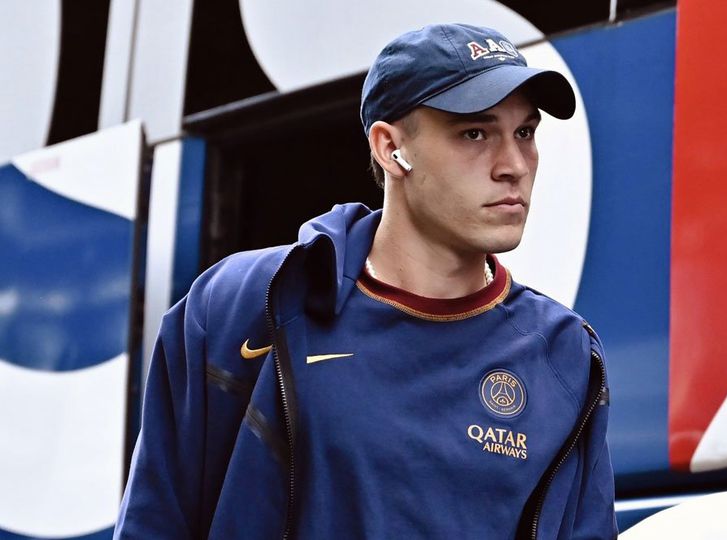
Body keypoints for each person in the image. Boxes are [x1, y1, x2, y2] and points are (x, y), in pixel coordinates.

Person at [114, 23, 617, 539]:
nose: (514, 166)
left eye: (525, 133)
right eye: (475, 133)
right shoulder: (243, 303)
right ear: (390, 148)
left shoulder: (566, 355)